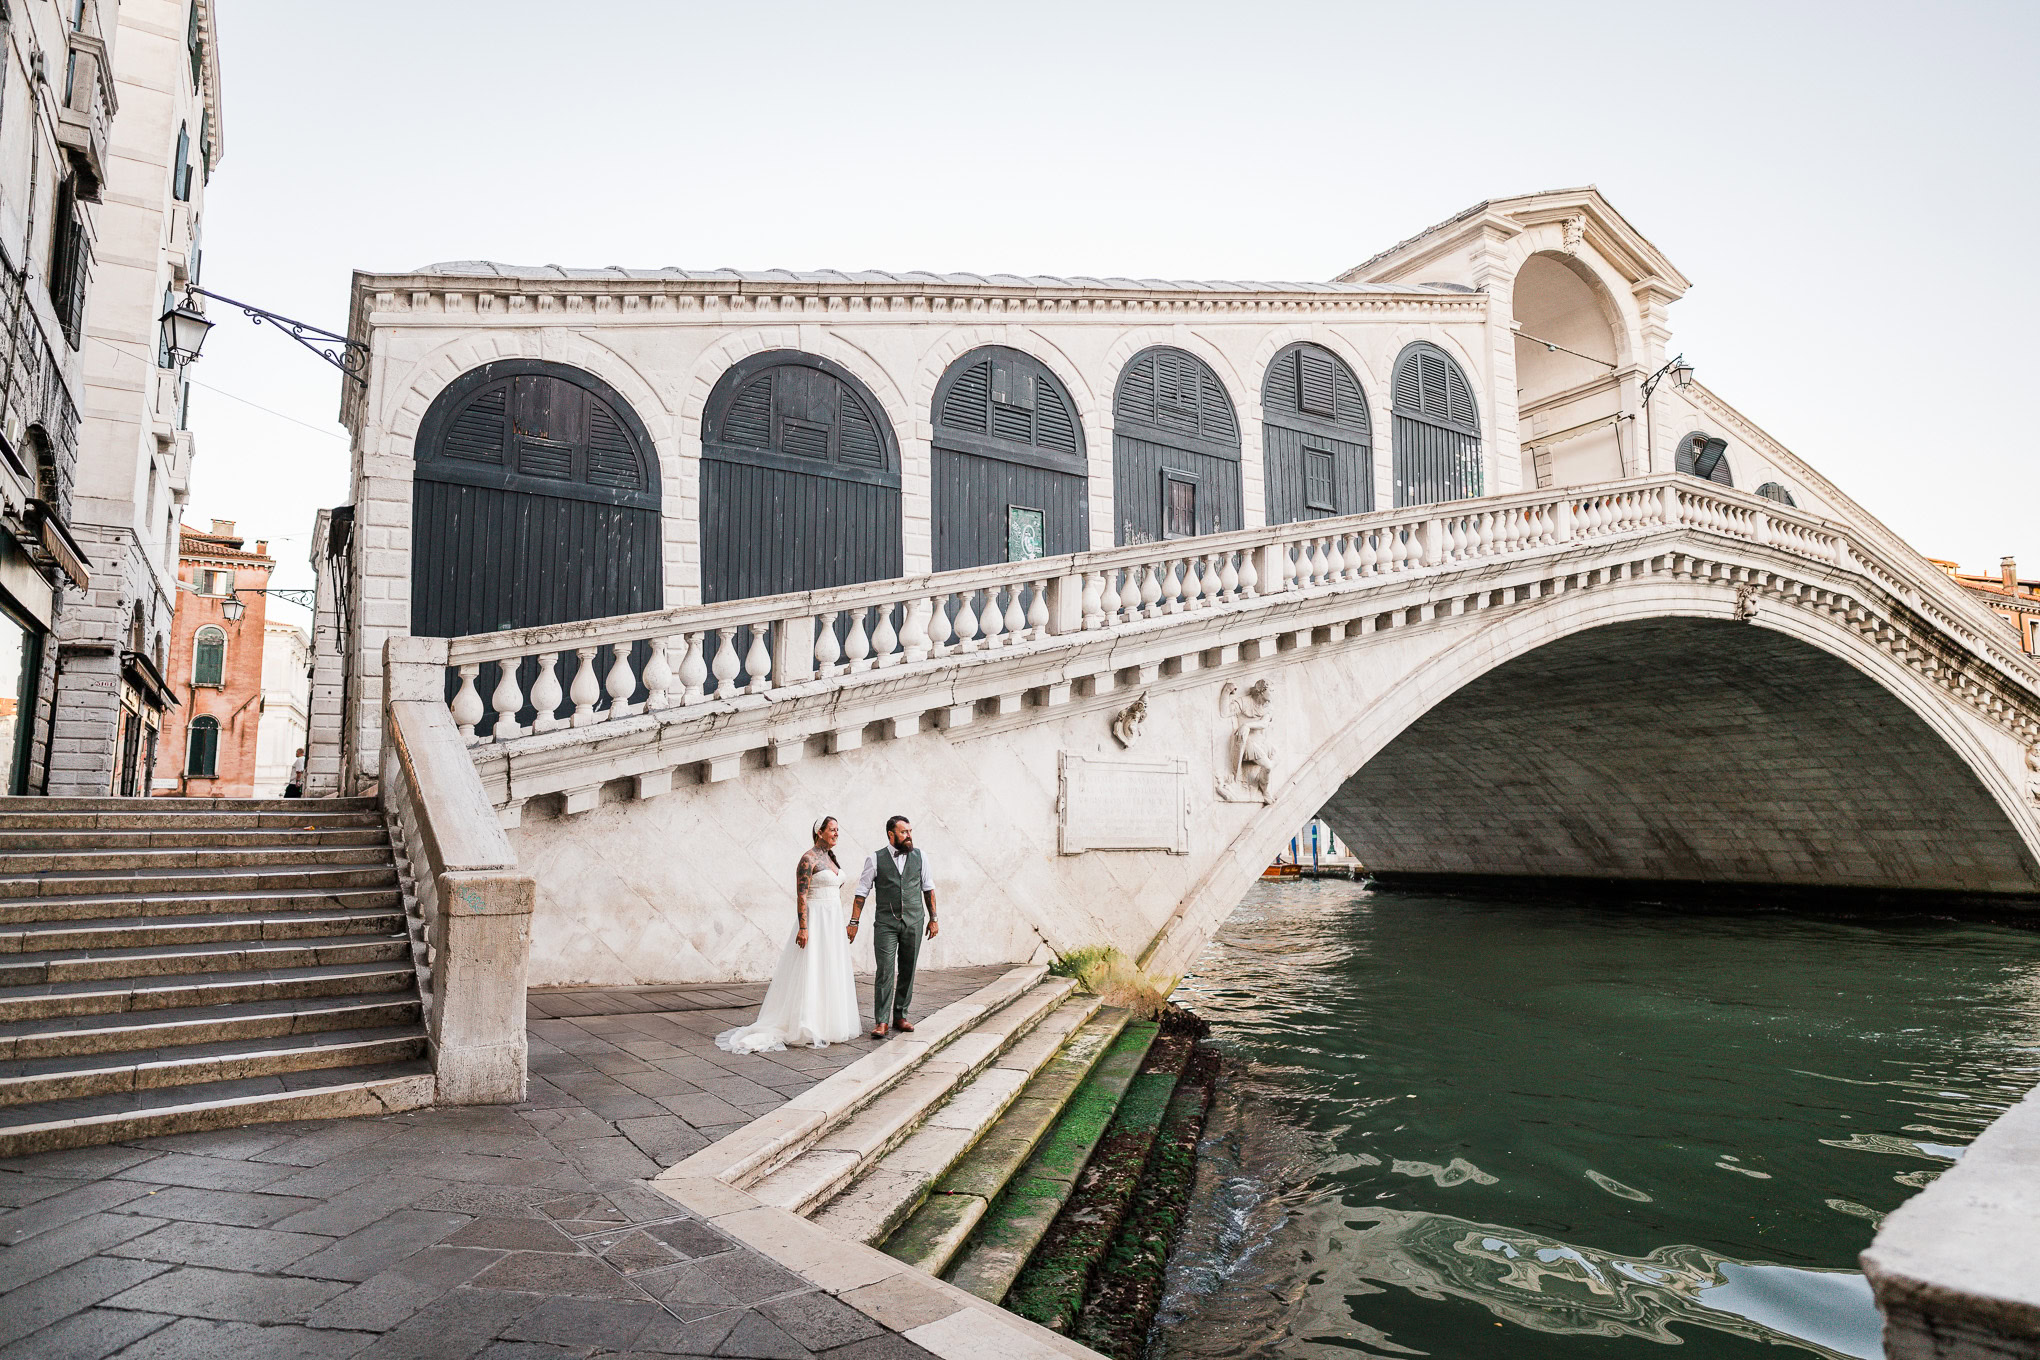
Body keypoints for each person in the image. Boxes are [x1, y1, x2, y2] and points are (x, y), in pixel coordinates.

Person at [715, 815, 861, 1053]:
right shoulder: (808, 858)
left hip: (832, 921)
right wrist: (804, 927)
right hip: (816, 921)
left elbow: (835, 886)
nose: (836, 834)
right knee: (811, 967)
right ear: (819, 832)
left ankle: (828, 1021)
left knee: (829, 967)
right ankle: (806, 1022)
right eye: (832, 830)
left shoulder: (831, 858)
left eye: (838, 830)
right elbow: (802, 894)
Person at [850, 815, 939, 1039]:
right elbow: (862, 891)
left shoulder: (921, 856)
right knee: (885, 971)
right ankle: (881, 1021)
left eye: (910, 831)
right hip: (886, 924)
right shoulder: (875, 859)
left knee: (908, 969)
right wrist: (854, 921)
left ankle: (900, 1016)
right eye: (904, 832)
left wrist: (934, 918)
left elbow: (928, 888)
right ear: (891, 835)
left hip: (914, 921)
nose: (909, 836)